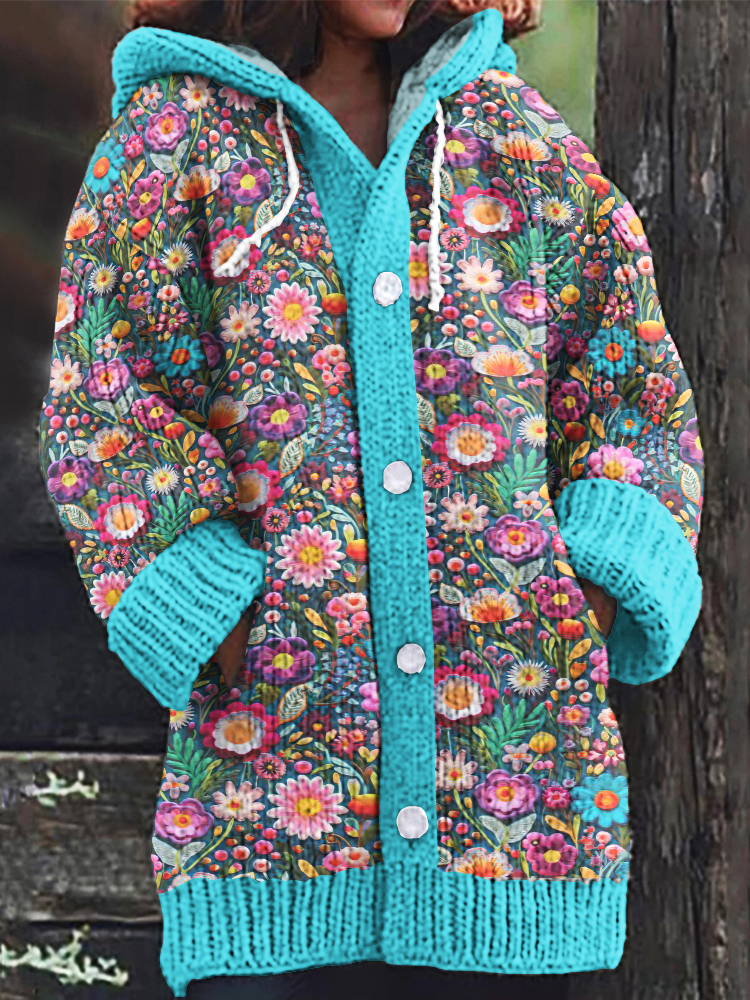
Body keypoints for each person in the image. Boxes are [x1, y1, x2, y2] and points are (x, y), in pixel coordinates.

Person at [38, 1, 704, 997]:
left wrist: (588, 594)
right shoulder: (173, 144)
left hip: (513, 827)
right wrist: (222, 622)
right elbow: (107, 402)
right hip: (270, 823)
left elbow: (632, 390)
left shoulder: (516, 145)